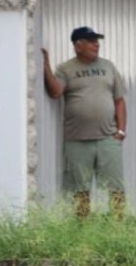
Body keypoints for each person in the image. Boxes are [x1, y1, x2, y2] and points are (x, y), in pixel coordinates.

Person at [42, 26, 128, 217]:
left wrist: (121, 131)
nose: (96, 45)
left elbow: (119, 101)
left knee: (116, 188)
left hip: (108, 139)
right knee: (80, 190)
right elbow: (56, 91)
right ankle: (82, 228)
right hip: (77, 141)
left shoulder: (108, 66)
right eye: (91, 41)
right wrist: (45, 63)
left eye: (97, 41)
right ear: (78, 45)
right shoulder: (66, 68)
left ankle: (119, 228)